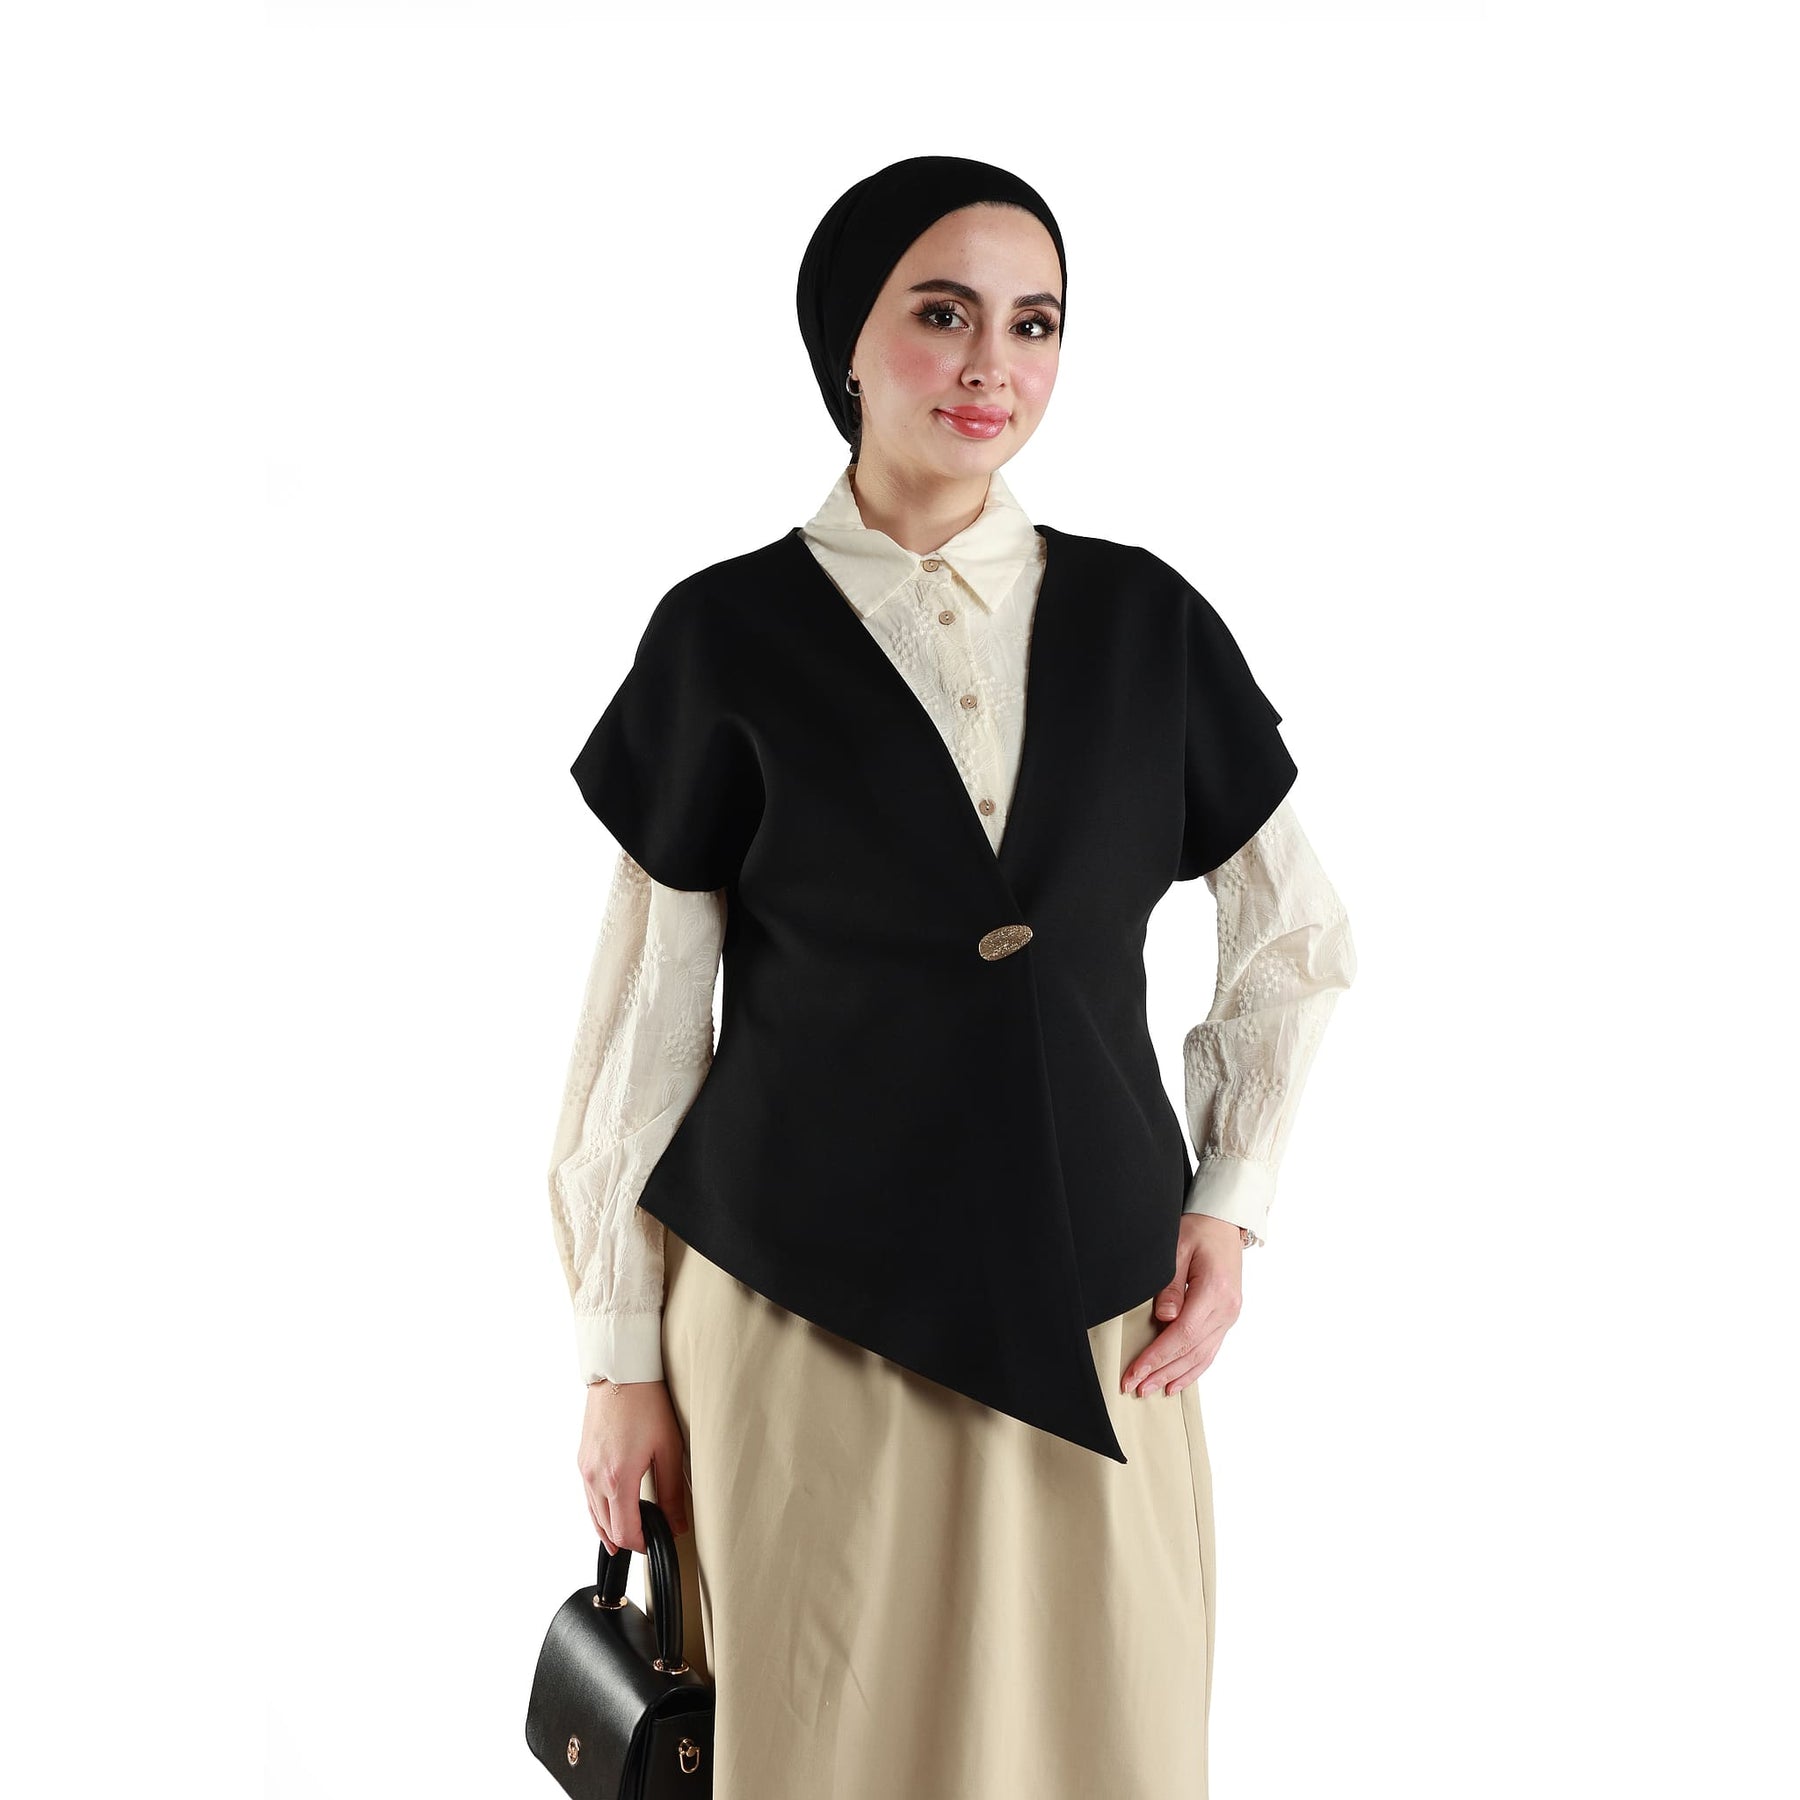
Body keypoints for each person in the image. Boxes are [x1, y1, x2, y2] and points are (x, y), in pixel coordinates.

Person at [546, 155, 1357, 1799]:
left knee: (1100, 1738)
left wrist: (1229, 1199)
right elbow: (645, 1024)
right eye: (942, 314)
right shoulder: (724, 636)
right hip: (796, 1315)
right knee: (827, 1739)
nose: (994, 363)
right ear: (845, 344)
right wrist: (621, 1357)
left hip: (1100, 1302)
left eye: (1034, 323)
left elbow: (1297, 936)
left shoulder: (1146, 621)